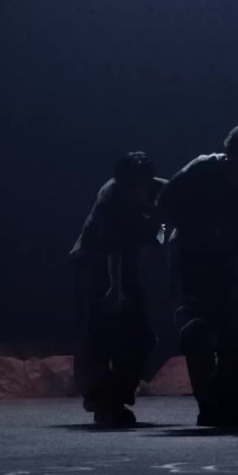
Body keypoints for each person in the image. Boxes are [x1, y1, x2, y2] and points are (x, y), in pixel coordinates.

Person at [160, 122, 238, 427]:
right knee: (197, 331)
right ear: (233, 153)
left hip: (228, 265)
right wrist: (196, 230)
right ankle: (208, 404)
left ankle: (229, 402)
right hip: (191, 262)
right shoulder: (202, 170)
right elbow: (166, 203)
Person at [68, 152, 167, 427]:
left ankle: (117, 394)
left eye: (139, 185)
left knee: (141, 335)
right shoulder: (111, 199)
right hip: (94, 264)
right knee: (98, 335)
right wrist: (114, 288)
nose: (134, 191)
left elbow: (173, 196)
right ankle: (102, 400)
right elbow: (113, 249)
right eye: (129, 186)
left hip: (125, 263)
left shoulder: (158, 187)